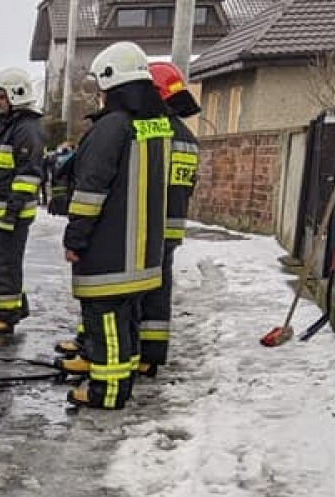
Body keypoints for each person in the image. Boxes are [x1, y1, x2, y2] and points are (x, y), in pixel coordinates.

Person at [57, 41, 172, 410]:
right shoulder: (156, 127)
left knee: (105, 323)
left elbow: (90, 192)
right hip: (144, 252)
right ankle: (117, 382)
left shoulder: (112, 128)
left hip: (110, 252)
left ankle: (106, 392)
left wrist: (75, 238)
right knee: (125, 326)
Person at [137, 60, 202, 378]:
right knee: (160, 288)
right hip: (172, 225)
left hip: (148, 223)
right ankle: (151, 353)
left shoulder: (155, 131)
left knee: (136, 289)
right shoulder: (188, 137)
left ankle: (132, 350)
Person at [0, 68, 45, 337]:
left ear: (16, 96)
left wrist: (12, 212)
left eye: (1, 96)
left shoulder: (26, 130)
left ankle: (6, 316)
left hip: (10, 213)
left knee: (5, 264)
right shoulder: (8, 127)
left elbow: (28, 176)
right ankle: (16, 306)